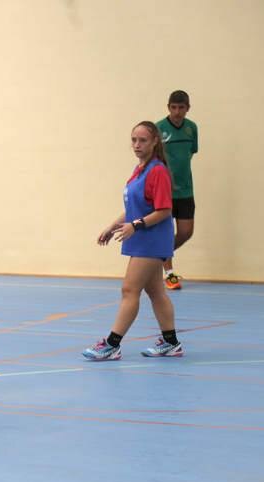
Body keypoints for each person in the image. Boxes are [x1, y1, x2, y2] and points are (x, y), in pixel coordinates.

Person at [83, 121, 183, 361]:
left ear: (155, 142)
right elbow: (134, 208)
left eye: (143, 140)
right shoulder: (140, 169)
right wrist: (113, 226)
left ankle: (111, 344)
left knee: (129, 289)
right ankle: (171, 343)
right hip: (142, 237)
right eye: (134, 140)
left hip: (152, 238)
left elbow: (164, 210)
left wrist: (136, 226)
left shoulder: (157, 170)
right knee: (156, 291)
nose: (137, 145)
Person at [156, 90, 199, 290]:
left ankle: (156, 256)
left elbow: (190, 153)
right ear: (168, 108)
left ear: (187, 108)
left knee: (185, 232)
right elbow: (154, 158)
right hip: (165, 191)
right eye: (173, 107)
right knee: (166, 233)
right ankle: (169, 274)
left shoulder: (192, 128)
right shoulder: (159, 128)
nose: (177, 112)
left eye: (181, 108)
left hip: (186, 190)